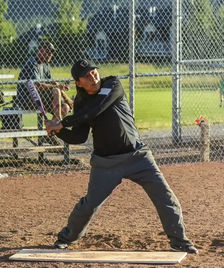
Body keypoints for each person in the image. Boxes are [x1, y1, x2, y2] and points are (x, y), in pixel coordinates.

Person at [44, 59, 198, 254]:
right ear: (78, 82)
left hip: (137, 156)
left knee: (164, 195)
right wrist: (57, 131)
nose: (93, 76)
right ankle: (67, 238)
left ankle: (179, 240)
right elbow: (79, 136)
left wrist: (62, 122)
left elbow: (97, 108)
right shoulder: (81, 103)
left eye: (94, 71)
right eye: (87, 76)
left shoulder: (112, 85)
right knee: (90, 204)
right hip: (106, 162)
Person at [15, 40, 73, 122]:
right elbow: (37, 86)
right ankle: (58, 121)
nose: (51, 55)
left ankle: (52, 129)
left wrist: (62, 87)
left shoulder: (45, 65)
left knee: (65, 108)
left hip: (42, 98)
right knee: (56, 90)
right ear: (41, 50)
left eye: (52, 53)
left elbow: (52, 82)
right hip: (27, 99)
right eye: (49, 52)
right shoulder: (32, 64)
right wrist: (57, 87)